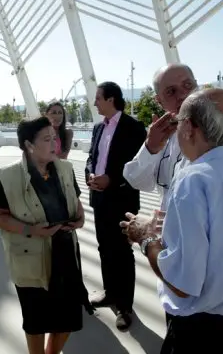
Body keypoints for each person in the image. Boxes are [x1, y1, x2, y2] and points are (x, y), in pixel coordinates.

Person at [121, 88, 223, 354]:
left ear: (188, 127)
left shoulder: (194, 180)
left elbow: (183, 283)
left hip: (207, 336)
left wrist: (146, 238)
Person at [0, 117, 93, 354]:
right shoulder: (8, 177)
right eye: (47, 139)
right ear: (28, 145)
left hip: (65, 255)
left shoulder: (65, 168)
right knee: (37, 322)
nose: (54, 142)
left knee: (68, 319)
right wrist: (31, 230)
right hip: (31, 258)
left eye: (54, 137)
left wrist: (80, 217)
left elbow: (75, 201)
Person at [123, 64, 223, 201]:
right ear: (159, 101)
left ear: (197, 86)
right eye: (171, 91)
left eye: (187, 85)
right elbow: (139, 182)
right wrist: (150, 148)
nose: (182, 94)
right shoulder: (161, 135)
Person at [84, 82, 147, 330]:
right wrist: (90, 175)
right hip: (99, 198)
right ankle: (110, 292)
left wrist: (111, 179)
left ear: (111, 99)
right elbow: (92, 158)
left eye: (98, 98)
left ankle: (124, 305)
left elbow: (138, 164)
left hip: (121, 199)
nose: (95, 102)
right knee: (104, 247)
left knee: (121, 251)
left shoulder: (133, 127)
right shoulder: (98, 127)